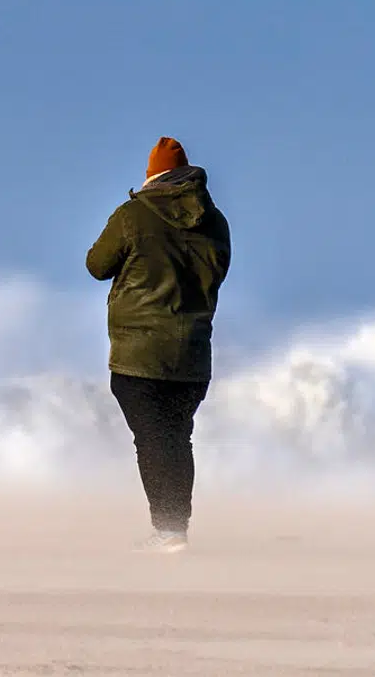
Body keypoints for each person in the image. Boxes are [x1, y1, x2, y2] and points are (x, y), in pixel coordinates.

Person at [85, 137, 231, 553]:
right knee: (176, 437)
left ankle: (168, 531)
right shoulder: (216, 221)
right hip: (193, 353)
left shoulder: (134, 215)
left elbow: (97, 265)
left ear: (152, 175)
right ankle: (175, 528)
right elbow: (218, 272)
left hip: (139, 351)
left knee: (153, 439)